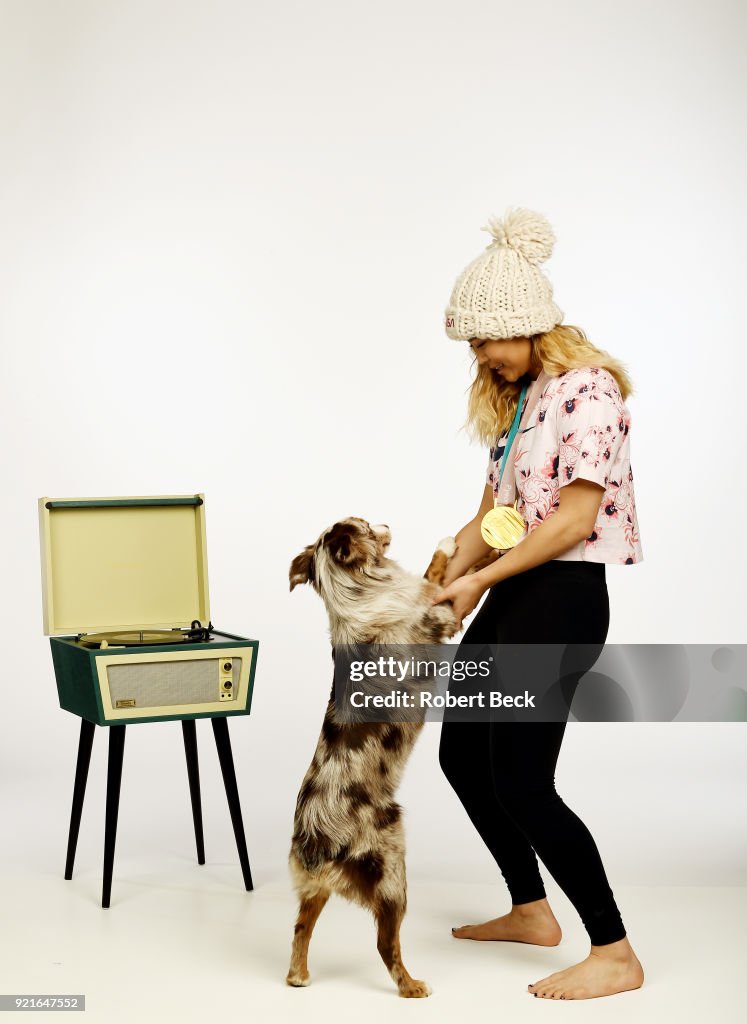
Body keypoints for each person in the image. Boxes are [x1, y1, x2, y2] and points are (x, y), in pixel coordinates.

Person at [432, 207, 645, 1001]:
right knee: (462, 758)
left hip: (558, 599)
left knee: (522, 781)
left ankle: (614, 950)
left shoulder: (588, 391)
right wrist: (445, 575)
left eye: (487, 339)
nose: (479, 355)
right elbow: (491, 518)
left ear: (527, 327)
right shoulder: (517, 401)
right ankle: (529, 910)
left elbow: (573, 521)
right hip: (514, 593)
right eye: (472, 343)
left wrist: (476, 584)